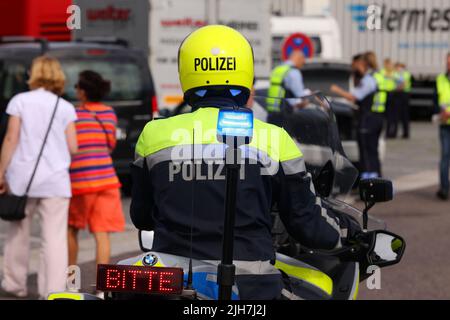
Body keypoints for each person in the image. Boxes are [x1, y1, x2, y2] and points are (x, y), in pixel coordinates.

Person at [130, 25, 360, 300]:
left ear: (186, 73)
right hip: (252, 287)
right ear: (246, 74)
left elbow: (141, 216)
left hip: (170, 284)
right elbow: (307, 224)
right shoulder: (274, 139)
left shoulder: (154, 134)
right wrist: (348, 235)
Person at [0, 56, 78, 299]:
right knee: (54, 238)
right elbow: (73, 147)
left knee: (18, 233)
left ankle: (15, 285)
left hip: (22, 179)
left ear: (33, 74)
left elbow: (11, 138)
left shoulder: (20, 101)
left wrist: (1, 171)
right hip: (55, 181)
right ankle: (52, 291)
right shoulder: (65, 107)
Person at [67, 71, 125, 270]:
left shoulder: (73, 114)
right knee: (102, 234)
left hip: (80, 181)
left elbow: (69, 145)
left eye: (77, 87)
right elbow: (110, 145)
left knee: (71, 230)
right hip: (107, 180)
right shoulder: (109, 113)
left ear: (83, 92)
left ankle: (70, 281)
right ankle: (102, 287)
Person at [330, 53, 384, 179]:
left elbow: (354, 97)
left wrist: (337, 90)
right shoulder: (377, 76)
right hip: (377, 118)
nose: (353, 68)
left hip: (368, 120)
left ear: (361, 64)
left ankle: (368, 183)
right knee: (373, 151)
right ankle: (376, 180)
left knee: (366, 152)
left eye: (354, 65)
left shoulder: (368, 80)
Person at [266, 49, 306, 127]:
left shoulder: (277, 69)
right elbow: (300, 95)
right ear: (299, 58)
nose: (303, 63)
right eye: (303, 61)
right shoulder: (294, 72)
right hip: (284, 114)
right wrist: (307, 101)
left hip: (271, 112)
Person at [435, 53, 450, 200]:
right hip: (445, 125)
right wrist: (439, 112)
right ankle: (444, 188)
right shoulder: (440, 78)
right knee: (445, 157)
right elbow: (436, 100)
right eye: (448, 62)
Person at [380, 59, 399, 138]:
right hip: (384, 94)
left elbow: (402, 81)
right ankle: (386, 132)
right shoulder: (382, 72)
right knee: (385, 116)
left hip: (392, 94)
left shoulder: (394, 73)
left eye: (389, 64)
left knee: (393, 115)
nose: (388, 66)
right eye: (386, 64)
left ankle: (392, 133)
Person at [394, 62, 412, 139]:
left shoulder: (406, 74)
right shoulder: (396, 74)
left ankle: (406, 133)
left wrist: (397, 87)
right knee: (396, 115)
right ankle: (394, 132)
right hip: (398, 94)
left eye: (399, 67)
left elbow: (403, 84)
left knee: (405, 115)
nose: (398, 69)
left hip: (404, 94)